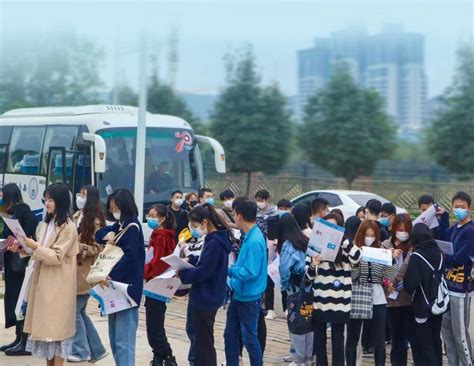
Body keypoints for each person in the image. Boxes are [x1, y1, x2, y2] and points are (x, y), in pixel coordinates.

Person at [21, 183, 79, 365]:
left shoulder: (68, 226)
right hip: (44, 283)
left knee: (57, 333)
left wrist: (34, 246)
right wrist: (25, 248)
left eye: (51, 200)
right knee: (47, 335)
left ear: (60, 201)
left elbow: (56, 256)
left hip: (58, 286)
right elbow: (41, 250)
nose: (47, 203)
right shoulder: (48, 222)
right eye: (45, 199)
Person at [95, 189, 145, 366]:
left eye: (116, 207)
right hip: (114, 289)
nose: (114, 210)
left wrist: (110, 275)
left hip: (126, 290)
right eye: (111, 207)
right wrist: (107, 235)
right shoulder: (120, 225)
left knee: (124, 342)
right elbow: (99, 234)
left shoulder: (132, 227)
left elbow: (130, 258)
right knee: (115, 340)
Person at [178, 204, 233, 366]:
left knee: (204, 343)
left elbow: (205, 271)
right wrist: (190, 261)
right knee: (203, 340)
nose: (194, 230)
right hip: (208, 295)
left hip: (206, 297)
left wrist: (183, 273)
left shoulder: (215, 242)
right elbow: (205, 263)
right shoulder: (214, 239)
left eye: (195, 226)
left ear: (205, 222)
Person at [307, 213, 362, 366]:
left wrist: (343, 240)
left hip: (340, 303)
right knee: (319, 341)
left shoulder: (346, 248)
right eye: (327, 227)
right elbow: (307, 275)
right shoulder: (316, 246)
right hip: (319, 300)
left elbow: (357, 257)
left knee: (338, 342)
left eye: (334, 227)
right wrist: (314, 264)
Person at [345, 220, 400, 366]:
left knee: (379, 339)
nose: (369, 238)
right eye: (366, 235)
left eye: (373, 235)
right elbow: (352, 274)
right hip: (357, 295)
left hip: (377, 297)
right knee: (353, 337)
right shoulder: (354, 251)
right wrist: (356, 262)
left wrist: (392, 259)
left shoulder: (381, 251)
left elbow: (388, 275)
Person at [68, 186, 108, 363]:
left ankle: (81, 351)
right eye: (79, 194)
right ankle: (97, 350)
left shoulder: (96, 220)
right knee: (81, 312)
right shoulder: (77, 215)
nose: (80, 197)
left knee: (74, 312)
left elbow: (98, 248)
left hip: (85, 272)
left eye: (83, 195)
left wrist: (79, 249)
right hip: (73, 271)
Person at [225, 199, 267, 366]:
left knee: (250, 340)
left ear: (239, 216)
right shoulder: (250, 236)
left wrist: (228, 269)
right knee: (230, 336)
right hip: (239, 294)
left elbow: (250, 272)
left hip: (249, 298)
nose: (234, 217)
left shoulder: (254, 240)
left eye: (235, 214)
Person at [0, 183, 38, 356]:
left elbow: (29, 232)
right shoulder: (10, 213)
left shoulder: (24, 212)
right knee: (13, 300)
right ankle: (18, 338)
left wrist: (19, 240)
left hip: (21, 265)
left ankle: (25, 341)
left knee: (21, 301)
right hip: (12, 263)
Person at [404, 223, 445, 366]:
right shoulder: (439, 252)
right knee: (436, 341)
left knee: (425, 344)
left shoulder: (416, 255)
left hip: (422, 306)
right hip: (438, 303)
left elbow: (409, 285)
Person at [440, 191, 474, 366]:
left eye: (462, 207)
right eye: (456, 207)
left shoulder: (471, 230)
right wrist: (443, 217)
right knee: (447, 332)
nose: (459, 210)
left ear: (469, 208)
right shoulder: (453, 228)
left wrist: (446, 258)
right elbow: (441, 240)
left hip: (462, 289)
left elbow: (461, 257)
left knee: (460, 333)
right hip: (447, 288)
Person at [144, 204, 178, 366]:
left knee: (154, 327)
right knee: (154, 324)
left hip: (156, 284)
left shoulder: (162, 237)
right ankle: (158, 356)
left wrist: (145, 272)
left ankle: (166, 356)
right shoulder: (158, 234)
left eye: (153, 215)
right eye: (148, 215)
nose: (149, 218)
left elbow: (158, 263)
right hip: (156, 284)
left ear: (162, 218)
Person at [277, 214, 313, 366]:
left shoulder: (287, 245)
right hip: (309, 287)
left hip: (295, 288)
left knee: (295, 322)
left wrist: (284, 286)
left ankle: (298, 359)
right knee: (308, 321)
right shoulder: (304, 241)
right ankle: (308, 357)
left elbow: (284, 269)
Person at [381, 214, 416, 366]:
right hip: (392, 299)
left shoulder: (413, 247)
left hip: (409, 298)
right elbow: (378, 269)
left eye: (406, 230)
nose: (403, 233)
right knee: (396, 337)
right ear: (394, 229)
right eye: (400, 229)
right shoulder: (385, 245)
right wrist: (390, 256)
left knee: (410, 337)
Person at [254, 190, 278, 320]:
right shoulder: (255, 213)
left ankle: (270, 307)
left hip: (271, 249)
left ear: (268, 200)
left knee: (269, 279)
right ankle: (259, 304)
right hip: (258, 248)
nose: (260, 203)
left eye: (262, 200)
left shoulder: (275, 213)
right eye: (258, 200)